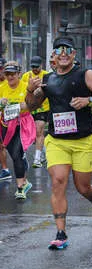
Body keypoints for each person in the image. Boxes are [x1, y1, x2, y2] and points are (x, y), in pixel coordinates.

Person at [25, 36, 92, 249]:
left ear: (74, 54)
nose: (63, 53)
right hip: (56, 141)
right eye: (58, 50)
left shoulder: (86, 75)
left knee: (83, 188)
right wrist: (29, 90)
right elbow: (31, 105)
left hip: (83, 140)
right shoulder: (47, 79)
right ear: (53, 56)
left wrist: (88, 100)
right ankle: (61, 233)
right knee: (58, 182)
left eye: (67, 49)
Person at [0, 61, 36, 199]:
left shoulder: (26, 87)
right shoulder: (2, 87)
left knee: (15, 154)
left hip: (23, 124)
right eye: (7, 74)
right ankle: (24, 179)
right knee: (13, 153)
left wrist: (25, 105)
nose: (10, 77)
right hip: (6, 125)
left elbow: (33, 104)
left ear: (19, 74)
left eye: (12, 74)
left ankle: (21, 187)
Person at [21, 56, 49, 168]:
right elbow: (23, 92)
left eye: (37, 67)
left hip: (43, 108)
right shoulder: (25, 76)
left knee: (39, 130)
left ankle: (37, 158)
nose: (35, 69)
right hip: (29, 108)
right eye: (33, 66)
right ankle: (41, 151)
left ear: (41, 65)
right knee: (28, 133)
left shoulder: (46, 75)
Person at [0, 57, 12, 180]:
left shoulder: (10, 81)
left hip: (11, 120)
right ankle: (5, 170)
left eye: (1, 69)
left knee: (8, 146)